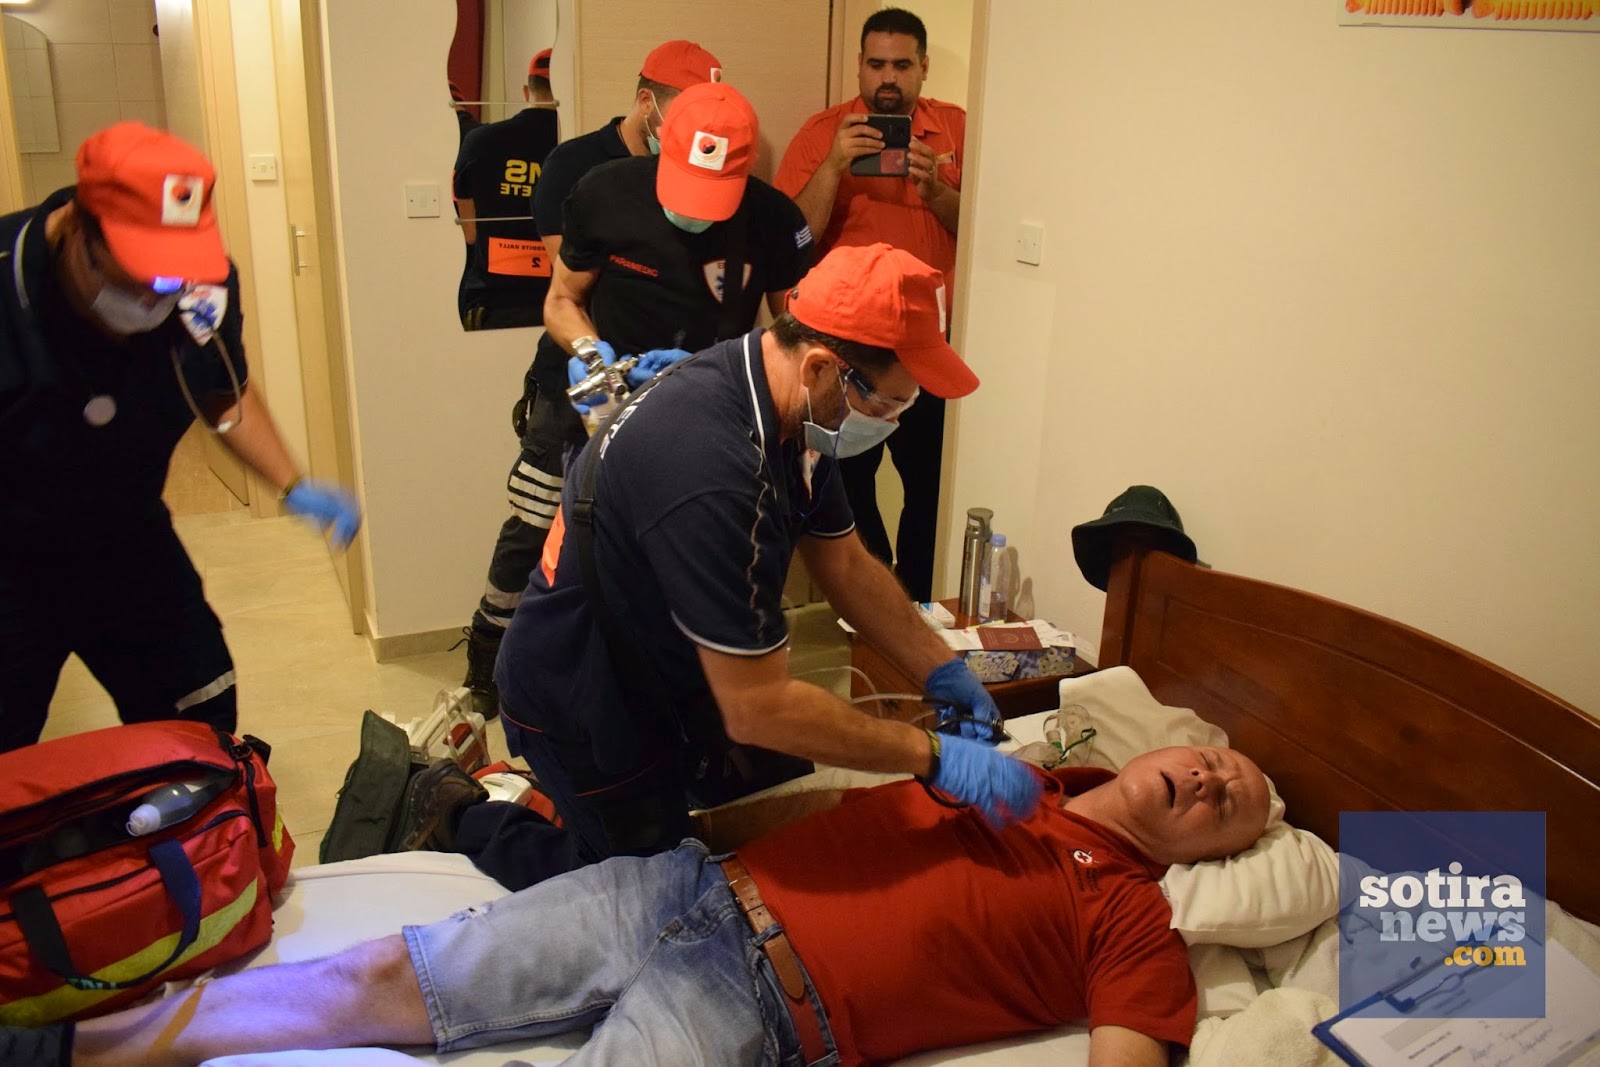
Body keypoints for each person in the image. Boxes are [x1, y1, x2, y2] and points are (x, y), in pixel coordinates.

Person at [15, 745, 1273, 1067]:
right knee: (372, 978)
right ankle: (70, 1047)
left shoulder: (1135, 920)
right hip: (681, 885)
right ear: (1163, 744)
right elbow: (830, 798)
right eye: (1216, 758)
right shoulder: (1010, 771)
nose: (1212, 780)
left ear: (1215, 851)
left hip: (762, 1005)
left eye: (1233, 805)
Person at [417, 241, 1035, 896]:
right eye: (889, 405)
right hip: (580, 689)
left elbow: (847, 563)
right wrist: (929, 755)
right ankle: (459, 815)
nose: (892, 422)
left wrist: (941, 669)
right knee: (646, 893)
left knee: (776, 815)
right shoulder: (711, 464)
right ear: (823, 367)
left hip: (676, 660)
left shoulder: (791, 408)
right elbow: (759, 706)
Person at [0, 122, 361, 755]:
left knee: (200, 719)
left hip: (129, 538)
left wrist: (292, 483)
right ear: (78, 229)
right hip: (13, 558)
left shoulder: (201, 284)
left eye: (169, 283)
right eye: (136, 279)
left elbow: (222, 390)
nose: (153, 301)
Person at [461, 39, 724, 718]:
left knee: (635, 537)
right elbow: (574, 287)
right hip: (575, 381)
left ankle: (602, 674)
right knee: (535, 523)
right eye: (684, 113)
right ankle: (487, 661)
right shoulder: (576, 166)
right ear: (647, 103)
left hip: (667, 388)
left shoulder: (702, 173)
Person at [775, 7, 965, 603]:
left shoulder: (958, 130)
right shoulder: (820, 135)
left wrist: (938, 193)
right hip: (847, 353)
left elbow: (986, 233)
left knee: (932, 490)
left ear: (924, 67)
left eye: (902, 65)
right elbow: (788, 240)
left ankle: (918, 604)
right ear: (859, 65)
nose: (888, 78)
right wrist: (834, 165)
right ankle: (875, 603)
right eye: (877, 64)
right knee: (845, 490)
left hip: (927, 349)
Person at [452, 49, 561, 331]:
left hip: (495, 297)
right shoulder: (577, 145)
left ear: (526, 91)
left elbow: (470, 232)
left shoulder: (480, 141)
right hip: (559, 298)